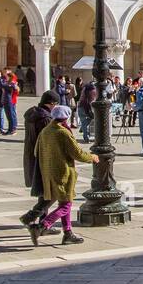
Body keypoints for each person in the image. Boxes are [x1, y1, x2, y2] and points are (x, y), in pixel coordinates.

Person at [29, 105, 99, 246]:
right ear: (66, 117)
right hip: (63, 173)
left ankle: (68, 233)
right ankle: (42, 226)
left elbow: (36, 151)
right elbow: (77, 153)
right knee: (66, 205)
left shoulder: (45, 131)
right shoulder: (63, 132)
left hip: (48, 172)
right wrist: (92, 157)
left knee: (64, 202)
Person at [19, 91, 62, 233]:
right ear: (51, 104)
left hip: (32, 154)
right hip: (43, 157)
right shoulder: (45, 118)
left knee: (44, 191)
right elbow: (49, 140)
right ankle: (36, 219)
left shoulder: (32, 115)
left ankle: (42, 222)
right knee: (51, 191)